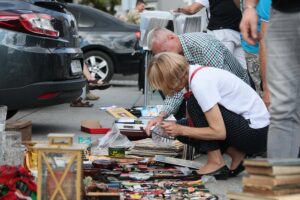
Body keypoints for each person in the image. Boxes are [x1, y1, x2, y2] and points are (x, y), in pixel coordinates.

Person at [147, 52, 269, 179]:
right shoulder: (195, 74)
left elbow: (218, 132)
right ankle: (237, 154)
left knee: (193, 107)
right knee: (181, 127)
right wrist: (174, 127)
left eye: (163, 85)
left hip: (255, 133)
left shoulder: (200, 83)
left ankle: (215, 162)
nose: (165, 89)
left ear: (171, 78)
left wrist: (181, 130)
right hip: (254, 129)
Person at [145, 28, 250, 131]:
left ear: (171, 38)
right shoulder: (178, 53)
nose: (167, 56)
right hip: (222, 100)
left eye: (165, 51)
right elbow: (177, 88)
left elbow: (219, 88)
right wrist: (161, 116)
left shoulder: (203, 47)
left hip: (239, 103)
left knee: (193, 108)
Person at [240, 0, 300, 158]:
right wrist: (250, 7)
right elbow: (264, 41)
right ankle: (282, 179)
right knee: (282, 110)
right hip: (285, 16)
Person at [176, 0, 246, 69]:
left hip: (224, 32)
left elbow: (192, 9)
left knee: (222, 67)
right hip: (237, 32)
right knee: (241, 69)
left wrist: (179, 10)